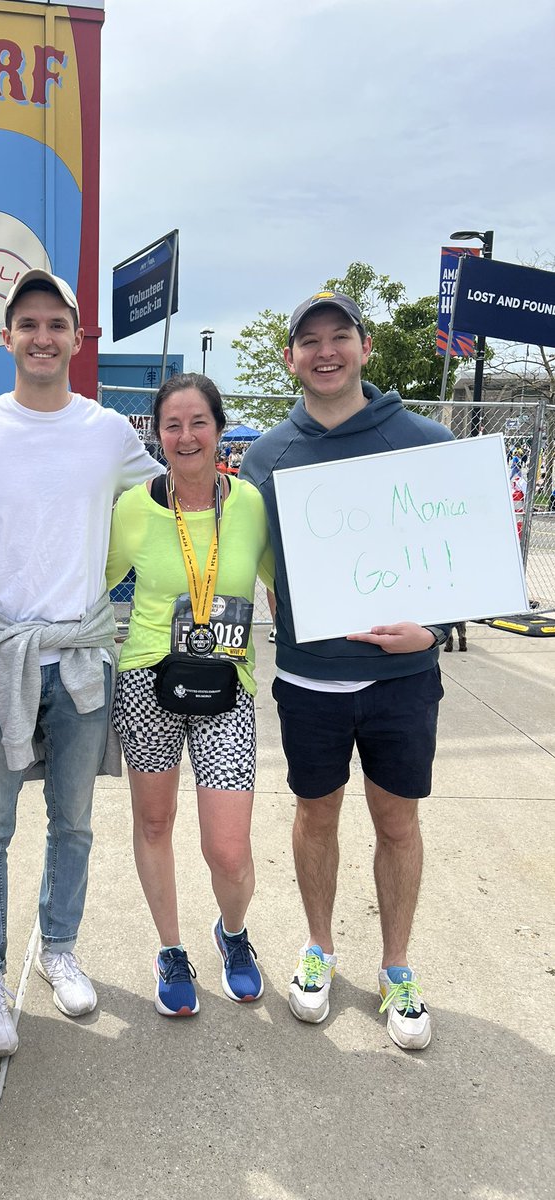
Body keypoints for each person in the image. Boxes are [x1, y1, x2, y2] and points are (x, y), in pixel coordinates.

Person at [0, 269, 161, 1058]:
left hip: (82, 656)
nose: (42, 337)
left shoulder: (107, 431)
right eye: (27, 323)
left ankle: (59, 947)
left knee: (73, 822)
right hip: (2, 653)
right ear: (7, 338)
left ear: (77, 337)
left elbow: (169, 505)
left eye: (56, 324)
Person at [240, 290, 454, 1051]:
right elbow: (245, 559)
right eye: (309, 340)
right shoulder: (266, 455)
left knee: (398, 822)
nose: (325, 351)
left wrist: (431, 629)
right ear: (291, 356)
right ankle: (319, 949)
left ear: (365, 346)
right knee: (316, 814)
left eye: (339, 336)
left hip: (401, 680)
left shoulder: (423, 438)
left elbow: (465, 558)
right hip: (308, 678)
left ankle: (397, 964)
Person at [106, 373, 272, 1017]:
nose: (185, 435)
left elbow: (287, 582)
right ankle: (170, 949)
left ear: (219, 428)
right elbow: (92, 578)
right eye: (171, 424)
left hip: (229, 685)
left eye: (197, 421)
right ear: (156, 434)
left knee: (227, 849)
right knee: (154, 823)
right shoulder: (135, 508)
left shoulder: (251, 505)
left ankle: (232, 933)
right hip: (149, 680)